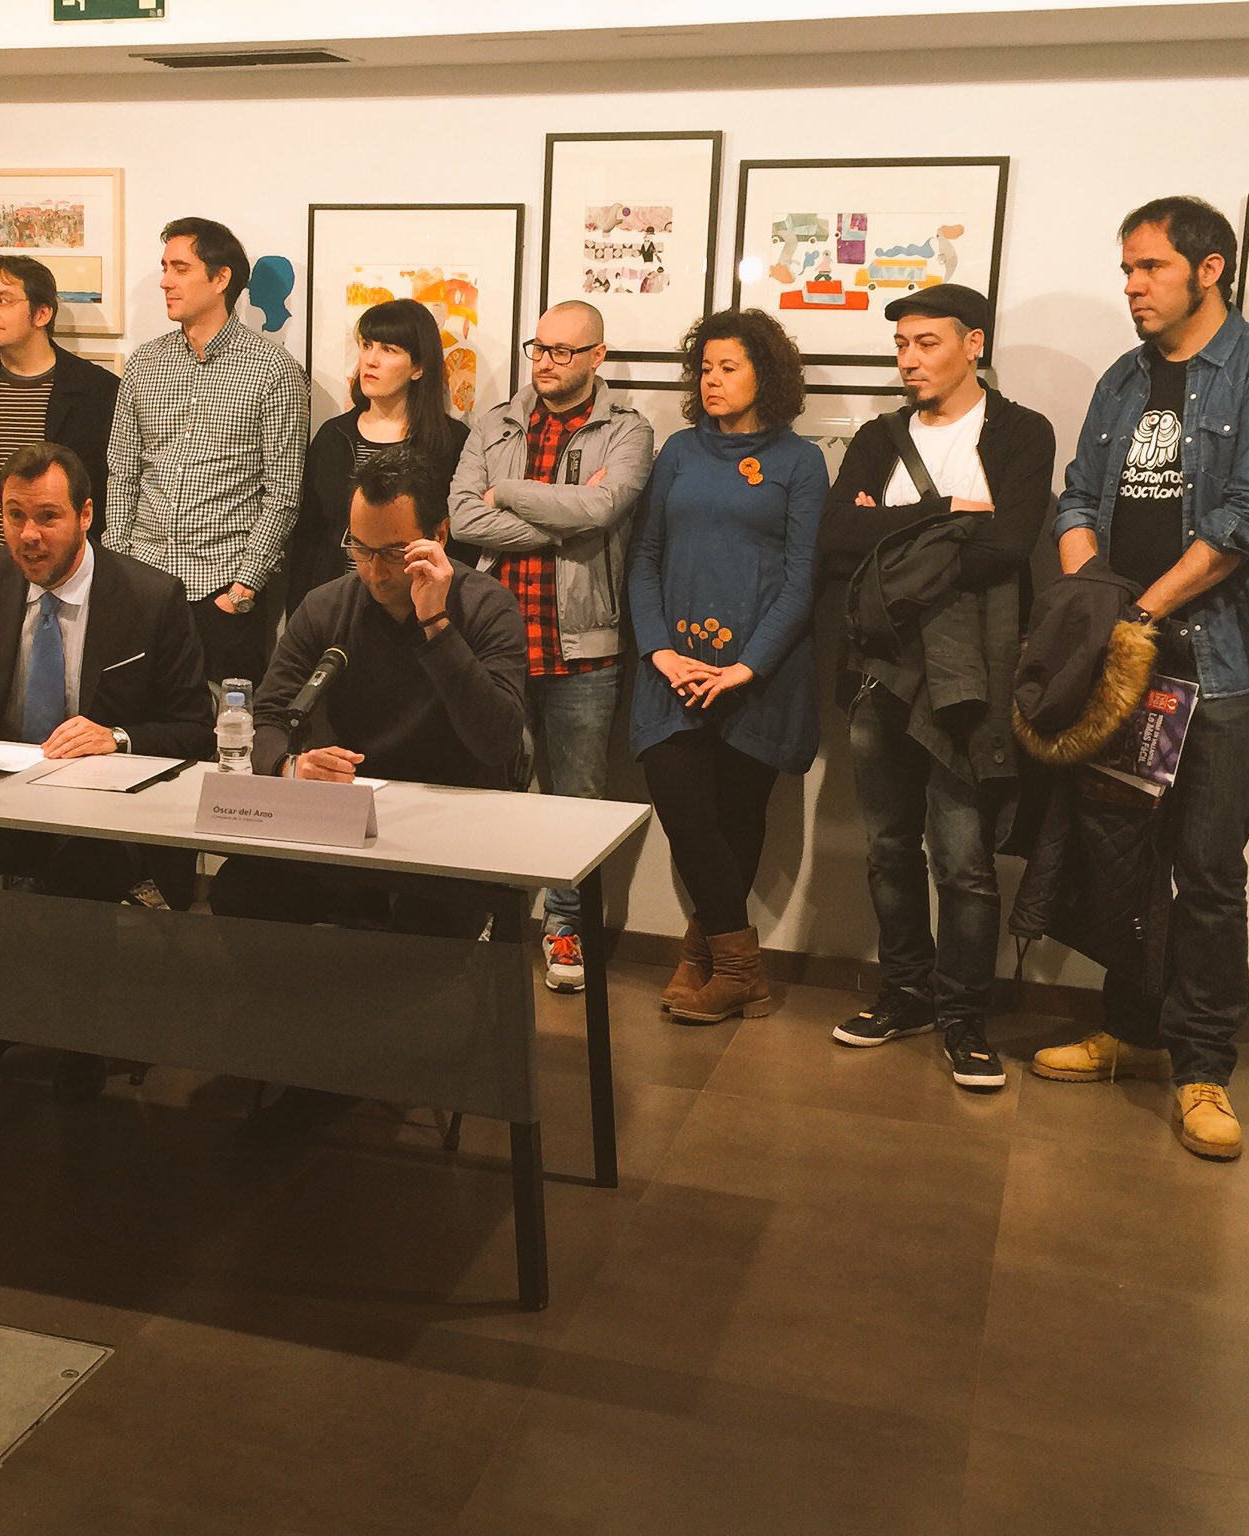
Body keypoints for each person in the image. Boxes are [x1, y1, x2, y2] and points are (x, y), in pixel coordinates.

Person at [1030, 196, 1249, 1159]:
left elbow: (1248, 519)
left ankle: (1203, 1068)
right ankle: (1132, 1031)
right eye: (1125, 269)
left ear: (1209, 268)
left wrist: (1138, 616)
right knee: (1123, 858)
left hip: (1217, 665)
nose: (1132, 286)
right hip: (1124, 660)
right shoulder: (1123, 378)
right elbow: (1078, 496)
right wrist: (1095, 603)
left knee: (1209, 871)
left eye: (1149, 266)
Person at [0, 441, 213, 1092]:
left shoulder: (151, 597)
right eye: (15, 516)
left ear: (86, 515)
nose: (28, 535)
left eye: (48, 517)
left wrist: (117, 736)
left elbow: (196, 728)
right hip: (9, 802)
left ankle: (78, 1041)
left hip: (113, 817)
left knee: (72, 879)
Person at [817, 285, 1057, 1089]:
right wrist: (951, 512)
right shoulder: (881, 436)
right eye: (901, 346)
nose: (909, 360)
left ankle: (964, 1019)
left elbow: (1009, 545)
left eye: (926, 343)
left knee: (963, 858)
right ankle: (906, 994)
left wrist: (891, 543)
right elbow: (835, 536)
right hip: (877, 669)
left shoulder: (1021, 432)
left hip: (972, 674)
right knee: (888, 848)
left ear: (973, 344)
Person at [209, 446, 528, 935]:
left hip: (452, 822)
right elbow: (268, 717)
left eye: (394, 553)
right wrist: (291, 766)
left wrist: (436, 624)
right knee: (241, 888)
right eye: (360, 548)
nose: (375, 571)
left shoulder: (488, 607)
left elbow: (498, 740)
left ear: (439, 536)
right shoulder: (327, 607)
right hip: (351, 816)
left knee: (425, 923)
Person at [448, 299, 655, 993]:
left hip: (582, 648)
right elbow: (462, 518)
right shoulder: (494, 423)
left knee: (576, 803)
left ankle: (566, 927)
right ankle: (492, 918)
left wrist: (507, 492)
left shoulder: (628, 429)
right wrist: (563, 517)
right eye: (538, 347)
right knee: (491, 792)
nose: (546, 361)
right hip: (495, 646)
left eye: (564, 350)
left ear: (597, 356)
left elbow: (604, 507)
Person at [627, 309, 824, 1026]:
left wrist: (746, 669)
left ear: (764, 375)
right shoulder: (679, 451)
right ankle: (742, 970)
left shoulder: (801, 462)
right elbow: (644, 558)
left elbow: (803, 580)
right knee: (686, 813)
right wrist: (660, 650)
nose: (711, 380)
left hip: (758, 680)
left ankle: (706, 958)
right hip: (673, 671)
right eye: (704, 368)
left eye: (728, 367)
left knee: (737, 820)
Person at [102, 216, 310, 682]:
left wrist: (244, 585)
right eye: (164, 268)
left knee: (225, 721)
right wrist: (118, 565)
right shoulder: (144, 363)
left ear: (220, 279)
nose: (164, 281)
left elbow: (282, 492)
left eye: (180, 268)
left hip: (221, 590)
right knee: (134, 715)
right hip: (142, 584)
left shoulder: (273, 370)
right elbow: (123, 473)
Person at [0, 254, 121, 588]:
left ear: (42, 313)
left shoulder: (97, 391)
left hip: (67, 578)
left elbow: (108, 491)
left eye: (3, 300)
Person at [286, 297, 469, 612]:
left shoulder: (449, 442)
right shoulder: (334, 435)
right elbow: (308, 538)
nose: (370, 360)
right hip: (339, 608)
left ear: (418, 367)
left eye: (389, 350)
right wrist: (301, 613)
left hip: (417, 610)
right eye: (367, 345)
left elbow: (459, 544)